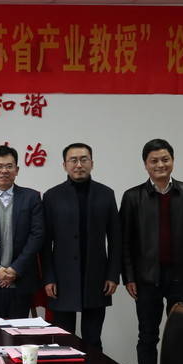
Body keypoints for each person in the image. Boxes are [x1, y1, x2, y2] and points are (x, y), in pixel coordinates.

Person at [120, 138, 183, 364]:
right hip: (146, 278)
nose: (160, 165)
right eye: (154, 161)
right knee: (148, 335)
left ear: (172, 161)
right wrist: (129, 277)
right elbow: (125, 242)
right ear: (145, 165)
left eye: (165, 159)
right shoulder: (132, 196)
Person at [42, 143, 121, 350]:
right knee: (63, 341)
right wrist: (49, 277)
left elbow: (115, 239)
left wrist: (113, 275)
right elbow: (45, 242)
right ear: (64, 165)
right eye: (73, 160)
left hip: (96, 278)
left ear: (92, 163)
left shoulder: (106, 194)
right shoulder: (52, 196)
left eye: (84, 159)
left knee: (93, 340)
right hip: (62, 279)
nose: (79, 165)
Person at [0, 145, 44, 318]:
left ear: (17, 170)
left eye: (9, 166)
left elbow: (37, 235)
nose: (4, 171)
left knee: (18, 332)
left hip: (21, 280)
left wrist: (15, 269)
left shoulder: (31, 197)